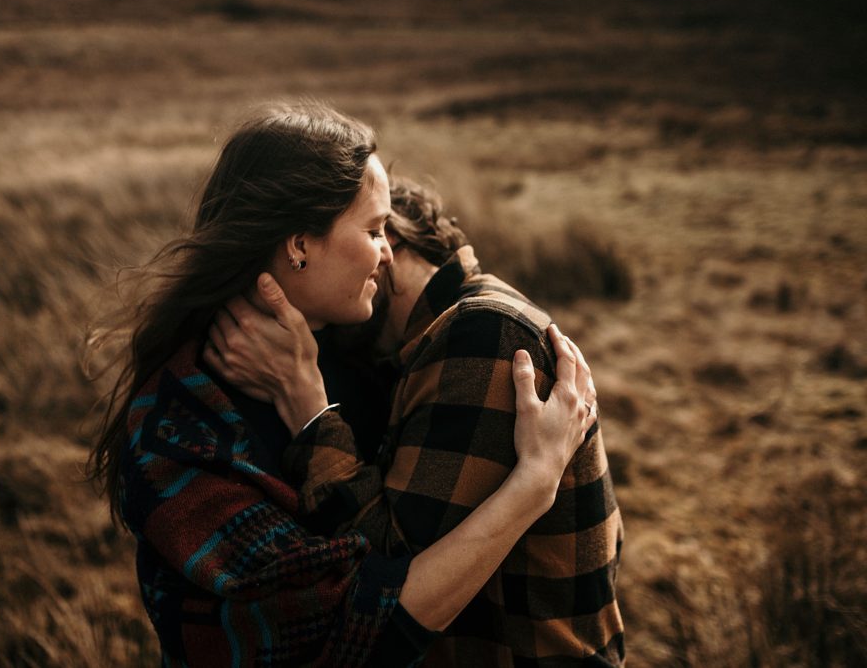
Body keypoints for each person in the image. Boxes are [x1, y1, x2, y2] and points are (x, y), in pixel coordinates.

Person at [86, 103, 598, 667]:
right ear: (299, 245)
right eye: (375, 230)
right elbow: (361, 634)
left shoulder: (351, 358)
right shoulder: (182, 422)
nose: (387, 255)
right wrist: (535, 482)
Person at [209, 178, 625, 666]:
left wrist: (307, 406)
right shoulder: (419, 345)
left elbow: (387, 580)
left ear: (391, 242)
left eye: (376, 232)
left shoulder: (483, 335)